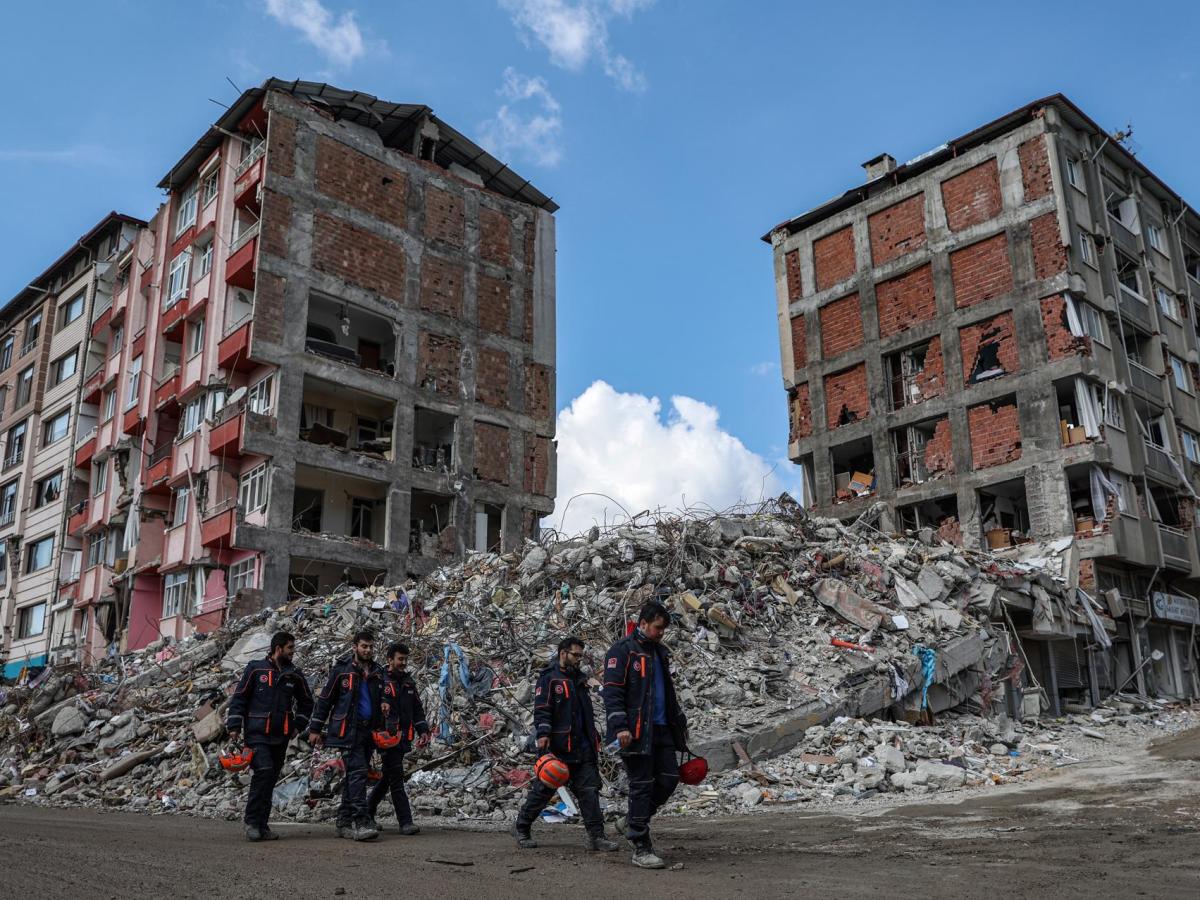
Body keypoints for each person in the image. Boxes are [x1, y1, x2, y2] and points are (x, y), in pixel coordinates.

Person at [601, 601, 688, 869]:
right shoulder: (623, 651)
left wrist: (679, 725)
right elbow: (613, 693)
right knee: (641, 784)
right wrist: (620, 727)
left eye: (664, 629)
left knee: (670, 778)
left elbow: (667, 694)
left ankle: (631, 822)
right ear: (643, 623)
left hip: (662, 729)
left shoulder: (659, 653)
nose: (661, 633)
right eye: (658, 627)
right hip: (636, 731)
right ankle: (640, 845)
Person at [513, 636, 620, 853]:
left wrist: (593, 740)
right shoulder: (550, 678)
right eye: (576, 655)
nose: (579, 659)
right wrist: (543, 734)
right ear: (563, 653)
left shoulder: (579, 679)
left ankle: (596, 836)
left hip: (583, 746)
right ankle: (521, 827)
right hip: (559, 746)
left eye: (581, 655)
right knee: (544, 789)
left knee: (589, 791)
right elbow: (542, 708)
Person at [226, 630, 313, 842]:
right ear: (278, 648)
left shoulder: (294, 675)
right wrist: (234, 726)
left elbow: (307, 702)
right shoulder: (256, 669)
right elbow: (240, 698)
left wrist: (297, 725)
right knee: (263, 771)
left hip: (280, 736)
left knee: (271, 778)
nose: (293, 652)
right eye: (290, 648)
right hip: (256, 734)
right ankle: (252, 822)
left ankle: (262, 825)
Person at [308, 630, 385, 841]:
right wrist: (315, 729)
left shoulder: (378, 672)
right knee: (358, 773)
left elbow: (383, 700)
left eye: (370, 647)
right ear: (354, 647)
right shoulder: (342, 672)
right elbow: (325, 700)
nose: (368, 650)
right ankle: (361, 821)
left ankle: (343, 821)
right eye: (364, 646)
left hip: (370, 732)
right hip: (348, 731)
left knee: (355, 775)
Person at [367, 642, 431, 835]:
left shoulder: (408, 683)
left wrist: (423, 731)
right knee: (396, 778)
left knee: (388, 777)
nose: (403, 663)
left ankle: (366, 813)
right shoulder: (380, 681)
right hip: (386, 738)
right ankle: (405, 821)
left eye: (405, 659)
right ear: (390, 660)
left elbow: (417, 710)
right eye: (400, 659)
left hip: (403, 738)